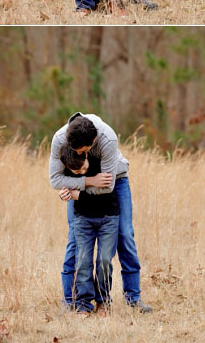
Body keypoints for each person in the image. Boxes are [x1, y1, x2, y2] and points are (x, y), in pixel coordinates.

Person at [48, 112, 152, 313]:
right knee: (75, 241)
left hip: (115, 182)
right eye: (75, 151)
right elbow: (55, 180)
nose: (80, 155)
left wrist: (79, 190)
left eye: (84, 151)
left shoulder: (107, 138)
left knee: (125, 235)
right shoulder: (59, 139)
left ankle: (133, 298)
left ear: (93, 141)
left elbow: (107, 185)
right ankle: (70, 301)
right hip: (80, 184)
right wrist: (86, 181)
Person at [58, 143, 119, 315]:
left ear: (85, 155)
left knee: (105, 260)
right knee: (83, 260)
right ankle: (83, 303)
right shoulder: (69, 168)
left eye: (84, 168)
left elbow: (106, 195)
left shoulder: (102, 162)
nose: (83, 173)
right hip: (83, 219)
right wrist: (65, 194)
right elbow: (67, 189)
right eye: (77, 173)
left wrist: (79, 195)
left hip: (108, 217)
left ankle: (103, 301)